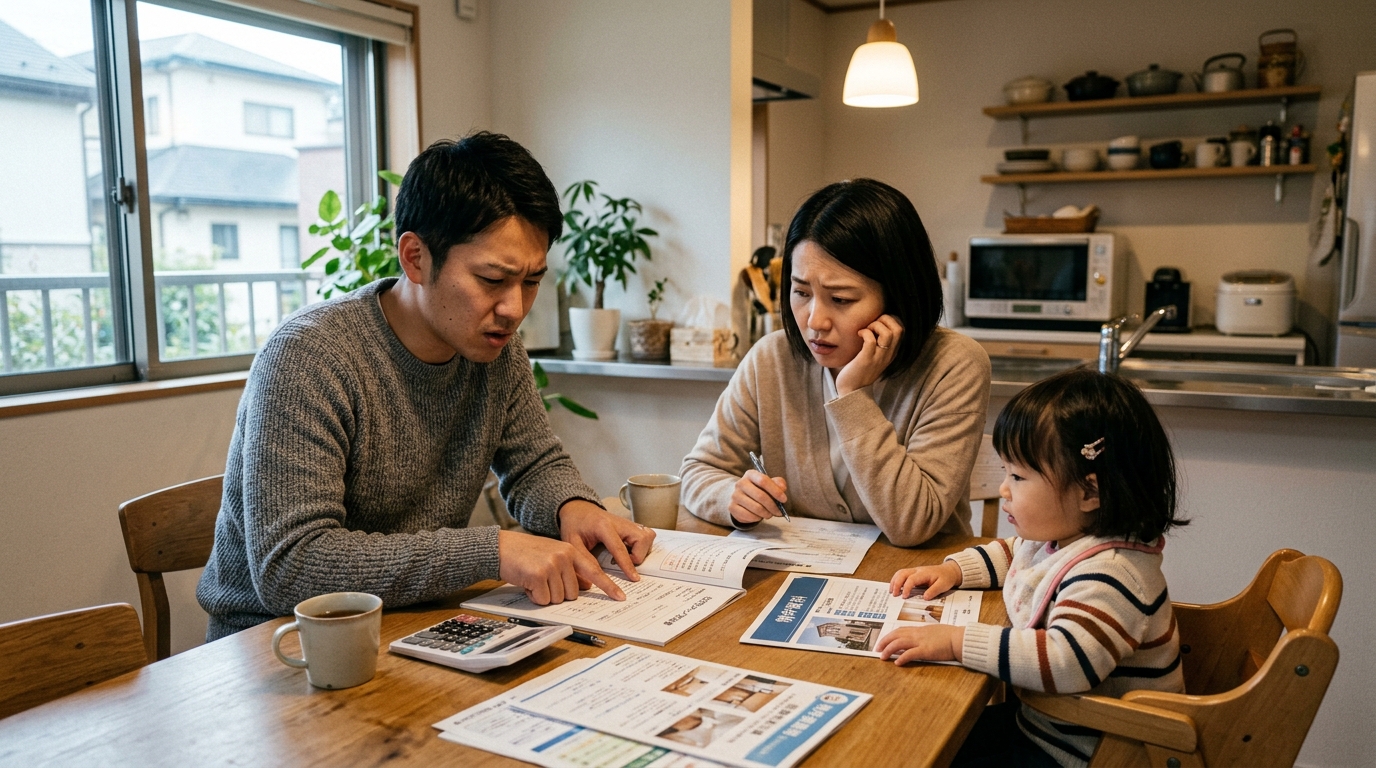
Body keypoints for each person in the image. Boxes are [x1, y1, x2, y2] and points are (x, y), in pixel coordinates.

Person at [197, 132, 654, 641]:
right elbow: (294, 566)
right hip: (279, 647)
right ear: (415, 258)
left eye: (531, 281)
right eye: (491, 279)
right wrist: (494, 550)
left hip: (416, 622)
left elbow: (534, 464)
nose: (514, 308)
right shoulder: (309, 356)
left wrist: (575, 508)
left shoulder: (495, 348)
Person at [875, 367, 1189, 768]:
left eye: (1018, 476)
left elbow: (1066, 661)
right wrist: (954, 571)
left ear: (1089, 491)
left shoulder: (1112, 573)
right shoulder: (1070, 539)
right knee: (920, 737)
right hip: (1046, 725)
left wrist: (957, 642)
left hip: (1090, 752)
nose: (1004, 488)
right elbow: (1016, 554)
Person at [680, 179, 990, 546]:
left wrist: (853, 396)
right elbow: (699, 470)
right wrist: (731, 498)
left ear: (899, 297)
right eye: (801, 293)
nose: (814, 321)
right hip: (801, 581)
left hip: (918, 584)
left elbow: (912, 523)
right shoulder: (772, 358)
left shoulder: (954, 365)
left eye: (841, 299)